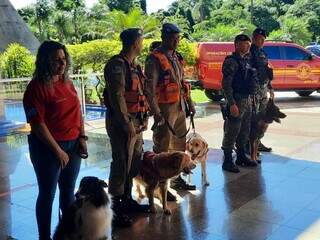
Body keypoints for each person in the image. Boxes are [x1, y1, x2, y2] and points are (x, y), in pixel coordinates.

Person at [23, 40, 87, 240]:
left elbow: (78, 113)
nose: (62, 64)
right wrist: (57, 151)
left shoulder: (67, 83)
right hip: (48, 149)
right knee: (47, 194)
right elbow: (38, 125)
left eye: (63, 59)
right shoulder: (36, 88)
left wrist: (82, 137)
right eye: (56, 60)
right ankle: (44, 237)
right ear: (44, 62)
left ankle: (67, 233)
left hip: (73, 144)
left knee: (68, 192)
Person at [103, 28, 149, 228]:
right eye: (141, 40)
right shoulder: (117, 65)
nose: (142, 44)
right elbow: (117, 96)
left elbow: (141, 93)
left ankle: (127, 199)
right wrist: (127, 122)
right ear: (134, 43)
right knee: (121, 163)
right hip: (123, 123)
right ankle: (115, 208)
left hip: (136, 122)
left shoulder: (135, 66)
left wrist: (144, 116)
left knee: (134, 162)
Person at [144, 23, 196, 191]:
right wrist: (156, 112)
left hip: (180, 106)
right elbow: (149, 89)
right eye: (173, 38)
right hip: (165, 109)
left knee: (179, 145)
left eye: (177, 38)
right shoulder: (154, 58)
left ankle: (175, 179)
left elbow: (182, 83)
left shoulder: (176, 57)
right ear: (164, 37)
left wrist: (190, 103)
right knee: (162, 147)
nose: (176, 41)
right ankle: (160, 187)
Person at [221, 34, 258, 173]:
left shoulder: (246, 60)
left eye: (248, 43)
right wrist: (231, 103)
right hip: (236, 100)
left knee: (244, 130)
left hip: (247, 100)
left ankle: (241, 156)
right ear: (236, 45)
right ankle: (228, 160)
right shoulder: (231, 61)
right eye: (244, 43)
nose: (248, 45)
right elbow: (226, 84)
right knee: (232, 130)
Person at [250, 27, 274, 155]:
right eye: (258, 39)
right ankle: (251, 145)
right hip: (254, 92)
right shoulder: (249, 53)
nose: (261, 41)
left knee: (264, 119)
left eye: (263, 39)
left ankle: (258, 142)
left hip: (264, 89)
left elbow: (266, 71)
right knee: (253, 119)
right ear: (253, 38)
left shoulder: (263, 53)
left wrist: (270, 87)